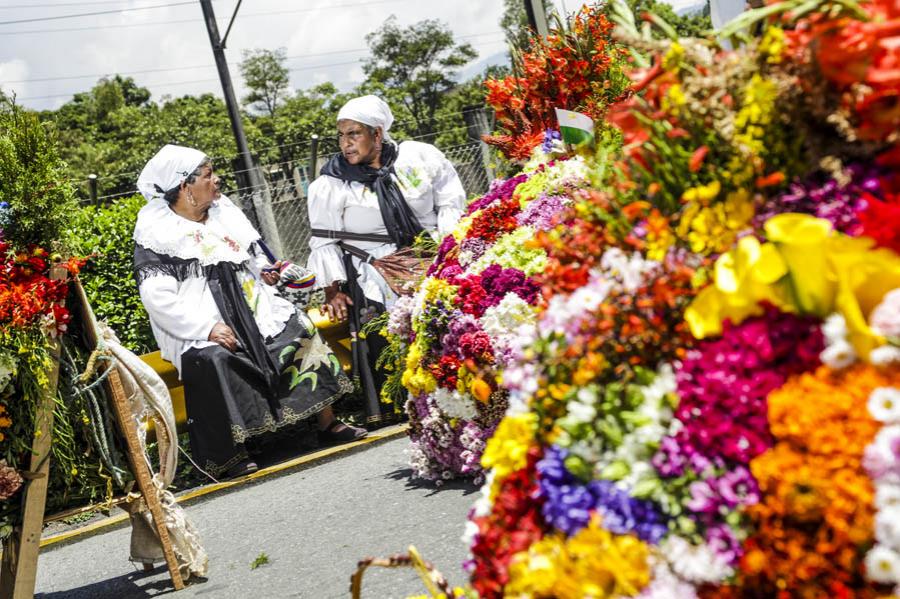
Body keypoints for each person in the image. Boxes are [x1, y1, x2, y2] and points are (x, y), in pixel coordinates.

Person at [134, 144, 366, 480]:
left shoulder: (224, 212)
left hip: (256, 309)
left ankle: (327, 422)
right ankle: (228, 455)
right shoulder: (157, 233)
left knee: (299, 328)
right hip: (203, 324)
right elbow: (157, 299)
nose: (216, 181)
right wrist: (207, 328)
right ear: (185, 186)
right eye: (208, 175)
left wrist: (267, 270)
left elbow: (252, 257)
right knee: (214, 358)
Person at [306, 95, 467, 424]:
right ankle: (409, 399)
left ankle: (458, 383)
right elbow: (324, 241)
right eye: (341, 135)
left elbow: (449, 198)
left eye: (354, 134)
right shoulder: (332, 182)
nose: (346, 143)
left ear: (378, 134)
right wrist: (332, 291)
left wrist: (449, 245)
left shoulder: (418, 157)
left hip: (430, 252)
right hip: (374, 266)